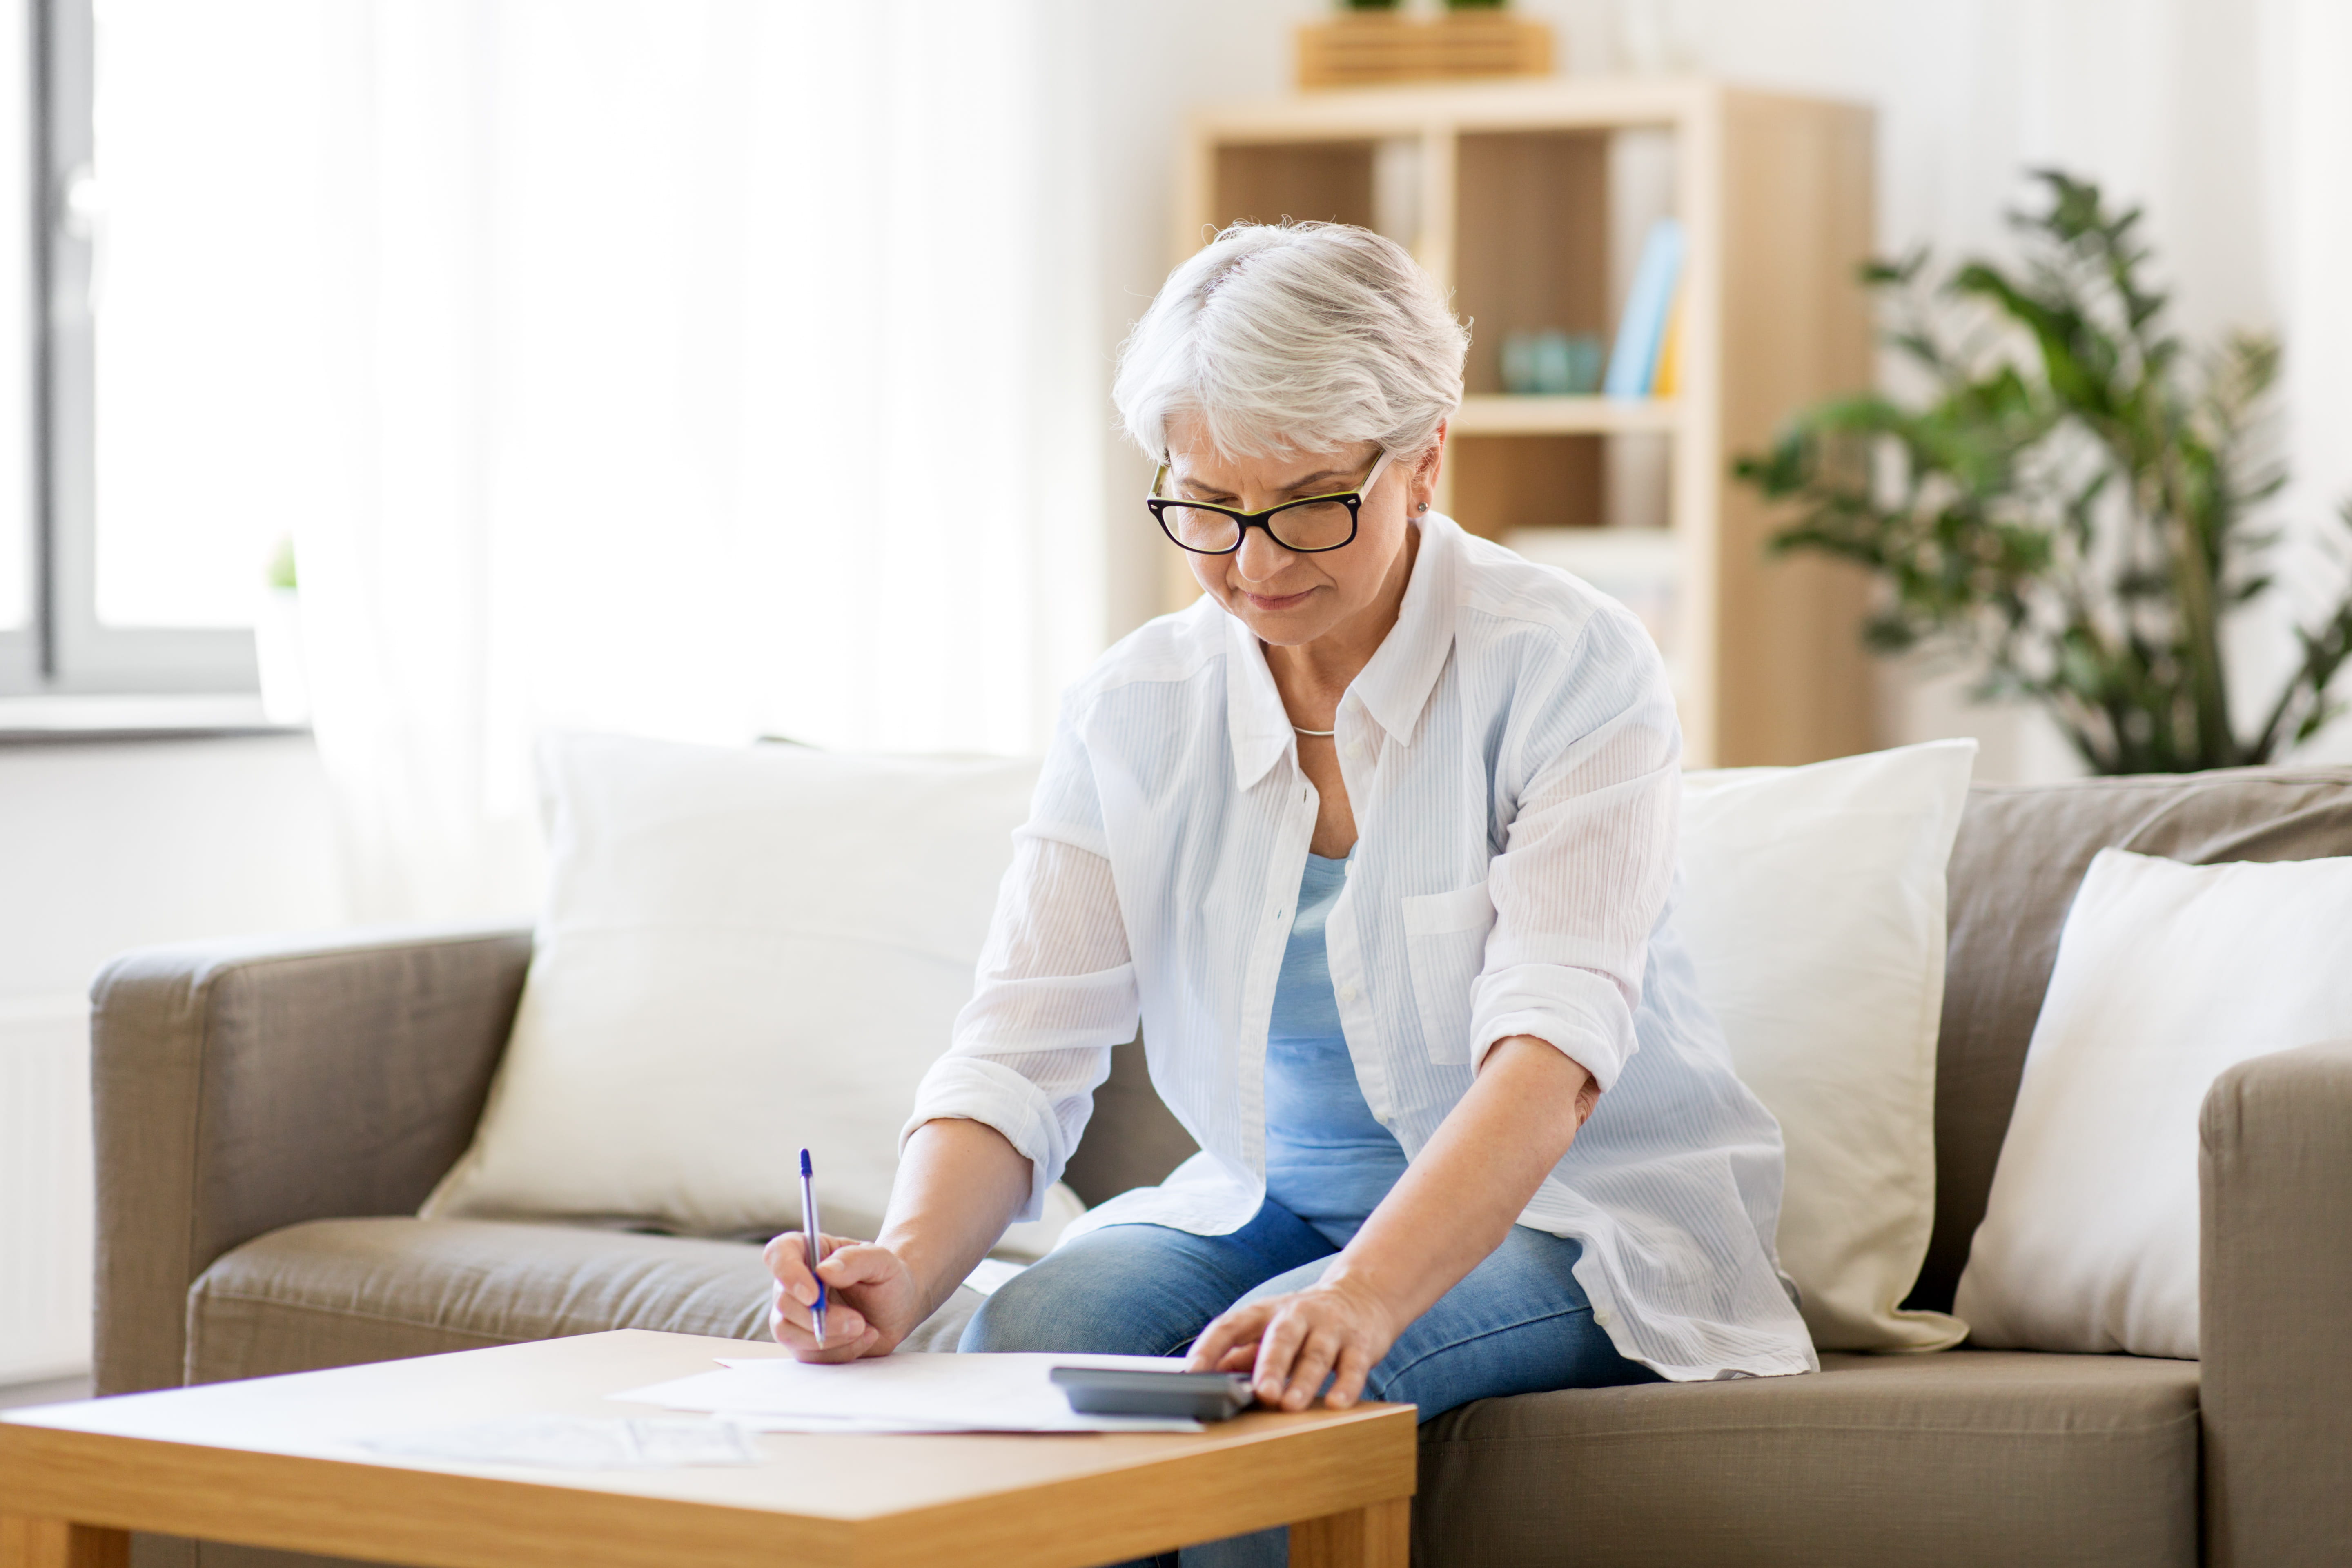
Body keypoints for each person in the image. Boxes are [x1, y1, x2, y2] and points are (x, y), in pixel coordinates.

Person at [765, 222, 1814, 1560]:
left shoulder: (1568, 663)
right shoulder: (1135, 707)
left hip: (1575, 1220)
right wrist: (903, 1269)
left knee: (1280, 1394)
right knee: (1022, 1343)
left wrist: (1363, 1297)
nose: (1256, 565)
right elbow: (1018, 1052)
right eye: (1208, 506)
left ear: (1426, 457)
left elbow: (1551, 1058)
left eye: (1311, 503)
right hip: (1265, 1206)